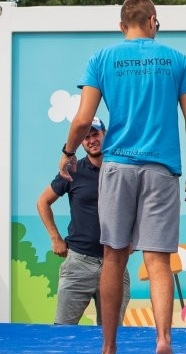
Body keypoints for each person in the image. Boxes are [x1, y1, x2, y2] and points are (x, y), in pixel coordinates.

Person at [57, 0, 186, 354]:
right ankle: (163, 342)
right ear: (153, 21)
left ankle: (108, 349)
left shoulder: (102, 59)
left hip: (118, 166)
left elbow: (82, 119)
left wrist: (68, 152)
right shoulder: (177, 60)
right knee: (157, 262)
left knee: (114, 257)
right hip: (160, 169)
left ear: (123, 26)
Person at [37, 117, 131, 325]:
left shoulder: (123, 170)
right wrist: (55, 239)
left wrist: (133, 241)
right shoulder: (72, 170)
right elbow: (43, 202)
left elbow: (139, 207)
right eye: (85, 137)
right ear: (80, 142)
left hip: (114, 263)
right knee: (62, 331)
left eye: (95, 134)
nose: (91, 140)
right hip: (78, 263)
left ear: (105, 135)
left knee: (111, 336)